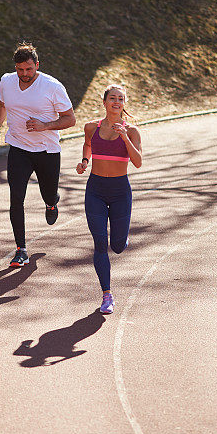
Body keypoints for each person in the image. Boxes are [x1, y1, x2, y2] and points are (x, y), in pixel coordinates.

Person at [0, 42, 76, 267]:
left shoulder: (52, 86)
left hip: (46, 150)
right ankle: (21, 249)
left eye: (29, 69)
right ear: (15, 68)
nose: (25, 74)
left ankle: (51, 202)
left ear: (37, 65)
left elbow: (70, 119)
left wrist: (45, 126)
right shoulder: (7, 81)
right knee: (16, 197)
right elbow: (1, 105)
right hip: (18, 148)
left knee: (48, 193)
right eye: (20, 70)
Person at [75, 84, 142, 314]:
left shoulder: (131, 131)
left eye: (120, 99)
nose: (116, 102)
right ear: (104, 102)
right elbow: (87, 145)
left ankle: (122, 240)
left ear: (124, 104)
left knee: (117, 246)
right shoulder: (91, 127)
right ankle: (107, 295)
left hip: (120, 191)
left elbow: (138, 162)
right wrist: (85, 161)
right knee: (100, 243)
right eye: (112, 98)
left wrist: (125, 138)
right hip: (95, 190)